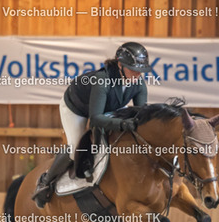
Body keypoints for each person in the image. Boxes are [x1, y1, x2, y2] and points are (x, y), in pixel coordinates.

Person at [32, 42, 152, 208]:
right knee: (75, 148)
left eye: (141, 70)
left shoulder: (138, 84)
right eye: (133, 69)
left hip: (108, 107)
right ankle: (45, 182)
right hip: (76, 108)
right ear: (120, 65)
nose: (138, 74)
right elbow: (95, 119)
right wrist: (123, 123)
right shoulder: (102, 81)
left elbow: (141, 115)